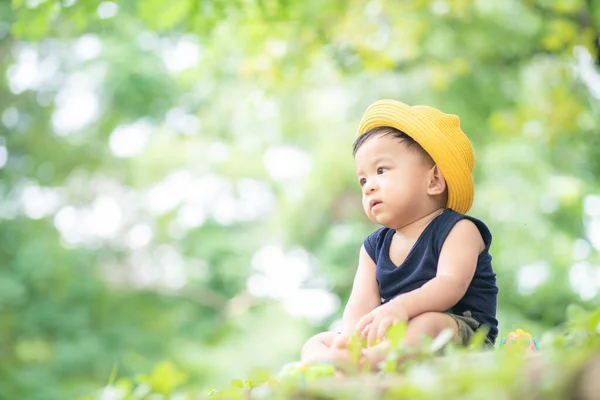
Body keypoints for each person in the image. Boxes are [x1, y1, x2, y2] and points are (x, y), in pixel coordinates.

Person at [300, 99, 499, 369]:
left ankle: (371, 361)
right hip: (397, 332)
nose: (369, 186)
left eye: (381, 170)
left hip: (460, 329)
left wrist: (401, 307)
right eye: (363, 179)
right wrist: (352, 338)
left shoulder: (459, 229)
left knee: (430, 322)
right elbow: (360, 305)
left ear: (434, 180)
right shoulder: (373, 248)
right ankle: (342, 360)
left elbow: (450, 286)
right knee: (316, 342)